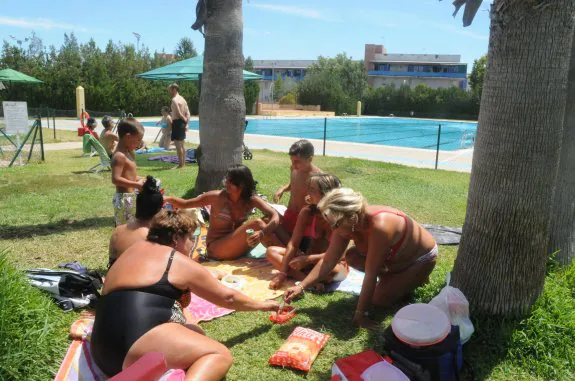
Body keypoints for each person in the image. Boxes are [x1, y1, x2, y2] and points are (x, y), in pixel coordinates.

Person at [91, 210, 279, 379]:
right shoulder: (176, 260)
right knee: (218, 354)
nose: (193, 244)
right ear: (175, 239)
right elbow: (227, 297)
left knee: (194, 332)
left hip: (101, 350)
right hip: (133, 346)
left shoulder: (131, 251)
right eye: (191, 238)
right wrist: (263, 305)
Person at [284, 188, 438, 329]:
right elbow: (328, 260)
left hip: (418, 260)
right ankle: (399, 281)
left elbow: (371, 274)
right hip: (394, 261)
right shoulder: (344, 223)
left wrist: (360, 314)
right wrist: (301, 286)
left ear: (352, 218)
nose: (332, 229)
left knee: (378, 300)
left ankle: (417, 277)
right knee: (352, 257)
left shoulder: (380, 227)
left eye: (335, 224)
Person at [164, 164, 280, 260]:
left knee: (268, 221)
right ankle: (286, 257)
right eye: (226, 180)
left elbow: (275, 216)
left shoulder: (251, 200)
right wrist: (166, 198)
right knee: (257, 223)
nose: (226, 183)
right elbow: (185, 203)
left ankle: (286, 254)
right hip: (216, 248)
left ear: (242, 185)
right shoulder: (216, 197)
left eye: (230, 181)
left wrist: (262, 233)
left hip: (236, 246)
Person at [267, 173, 349, 290]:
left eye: (312, 189)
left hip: (332, 263)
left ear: (325, 193)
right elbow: (293, 244)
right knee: (272, 252)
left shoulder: (340, 218)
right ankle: (310, 280)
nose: (307, 193)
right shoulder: (307, 212)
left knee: (336, 273)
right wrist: (282, 273)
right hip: (307, 261)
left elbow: (341, 255)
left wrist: (308, 259)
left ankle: (307, 279)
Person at [273, 139, 322, 244]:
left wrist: (312, 200)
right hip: (290, 213)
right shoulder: (294, 169)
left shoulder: (318, 177)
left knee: (300, 246)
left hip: (305, 220)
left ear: (310, 159)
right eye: (291, 160)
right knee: (278, 236)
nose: (294, 165)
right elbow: (292, 184)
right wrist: (282, 189)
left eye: (297, 162)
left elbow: (323, 201)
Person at [108, 176, 164, 267]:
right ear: (159, 211)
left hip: (113, 277)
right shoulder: (153, 236)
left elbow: (112, 263)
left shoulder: (117, 231)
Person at [111, 118, 146, 226]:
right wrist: (136, 184)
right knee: (125, 228)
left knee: (133, 227)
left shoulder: (129, 153)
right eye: (138, 139)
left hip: (130, 196)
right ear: (128, 137)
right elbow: (115, 179)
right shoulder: (119, 156)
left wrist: (141, 179)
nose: (139, 143)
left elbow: (128, 176)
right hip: (124, 199)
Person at [168, 83, 190, 169]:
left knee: (178, 145)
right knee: (182, 145)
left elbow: (179, 113)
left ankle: (180, 165)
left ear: (174, 90)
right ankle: (183, 163)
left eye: (169, 90)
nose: (168, 92)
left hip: (177, 122)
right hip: (182, 123)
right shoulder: (183, 99)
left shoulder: (174, 99)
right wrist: (186, 123)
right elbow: (188, 113)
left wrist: (183, 120)